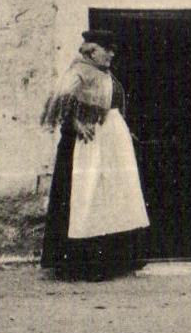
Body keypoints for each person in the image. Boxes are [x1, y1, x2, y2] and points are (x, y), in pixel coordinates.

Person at [40, 30, 150, 280]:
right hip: (86, 147)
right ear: (91, 51)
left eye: (112, 49)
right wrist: (75, 122)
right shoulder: (80, 71)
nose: (111, 53)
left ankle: (112, 263)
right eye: (106, 48)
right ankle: (79, 265)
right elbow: (61, 97)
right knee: (85, 197)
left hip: (109, 146)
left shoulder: (103, 74)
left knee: (110, 199)